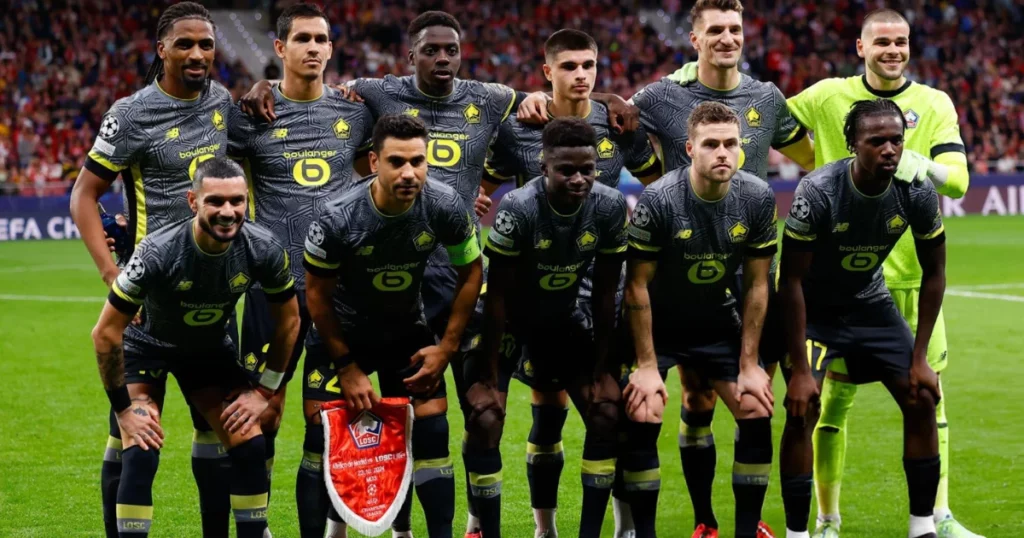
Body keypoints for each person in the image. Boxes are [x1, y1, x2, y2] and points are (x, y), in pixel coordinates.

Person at [782, 10, 975, 538]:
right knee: (826, 405)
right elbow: (767, 118)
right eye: (883, 42)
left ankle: (938, 517)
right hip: (830, 285)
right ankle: (825, 520)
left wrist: (923, 165)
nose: (893, 50)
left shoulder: (934, 103)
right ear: (861, 47)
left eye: (902, 42)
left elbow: (956, 181)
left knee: (929, 398)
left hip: (903, 283)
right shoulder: (825, 96)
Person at [469, 29, 661, 538]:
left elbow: (659, 183)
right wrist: (473, 202)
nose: (581, 75)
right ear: (546, 72)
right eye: (569, 66)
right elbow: (481, 186)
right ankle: (497, 523)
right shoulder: (520, 125)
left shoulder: (620, 122)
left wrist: (612, 99)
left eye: (589, 66)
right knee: (534, 413)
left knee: (604, 411)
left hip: (582, 296)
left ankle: (615, 527)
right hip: (522, 287)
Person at [67, 4, 237, 536]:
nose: (196, 54)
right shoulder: (132, 112)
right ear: (161, 49)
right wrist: (110, 273)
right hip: (148, 297)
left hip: (210, 294)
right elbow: (83, 195)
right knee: (134, 437)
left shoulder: (223, 101)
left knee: (217, 430)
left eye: (205, 44)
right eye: (184, 44)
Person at [91, 157, 301, 538]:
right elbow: (104, 334)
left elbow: (289, 320)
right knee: (140, 447)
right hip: (146, 346)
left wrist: (265, 390)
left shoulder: (262, 247)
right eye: (216, 201)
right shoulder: (159, 251)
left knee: (251, 443)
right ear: (193, 202)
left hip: (208, 351)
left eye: (237, 201)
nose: (228, 212)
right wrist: (124, 411)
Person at [225, 5, 375, 536]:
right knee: (262, 413)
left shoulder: (357, 112)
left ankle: (323, 529)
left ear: (332, 49)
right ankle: (257, 525)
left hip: (337, 295)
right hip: (273, 292)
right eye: (303, 39)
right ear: (280, 49)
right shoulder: (252, 115)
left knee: (324, 420)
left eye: (322, 39)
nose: (314, 47)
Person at [302, 114, 484, 538]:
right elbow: (317, 297)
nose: (409, 173)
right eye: (397, 161)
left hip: (406, 331)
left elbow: (472, 271)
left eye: (418, 161)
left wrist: (447, 347)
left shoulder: (443, 205)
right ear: (373, 162)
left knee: (433, 432)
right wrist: (347, 367)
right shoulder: (336, 218)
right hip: (342, 336)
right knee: (321, 440)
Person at [778, 99, 947, 538]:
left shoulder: (916, 190)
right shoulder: (817, 191)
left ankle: (922, 526)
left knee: (922, 395)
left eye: (896, 140)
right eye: (877, 141)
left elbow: (936, 273)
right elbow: (791, 281)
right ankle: (799, 533)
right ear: (853, 144)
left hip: (870, 304)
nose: (889, 150)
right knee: (802, 408)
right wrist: (799, 368)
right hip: (813, 312)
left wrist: (921, 357)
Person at [466, 117, 629, 538]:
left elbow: (606, 293)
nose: (579, 179)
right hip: (509, 323)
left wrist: (604, 368)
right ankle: (487, 530)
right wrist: (487, 376)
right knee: (485, 418)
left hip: (564, 319)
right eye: (566, 170)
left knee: (607, 411)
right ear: (544, 168)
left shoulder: (610, 206)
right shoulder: (519, 206)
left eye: (587, 170)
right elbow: (498, 294)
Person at [622, 102, 778, 538]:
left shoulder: (756, 197)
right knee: (645, 410)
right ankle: (666, 529)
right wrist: (648, 366)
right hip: (660, 324)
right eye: (712, 144)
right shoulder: (660, 199)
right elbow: (636, 287)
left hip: (715, 319)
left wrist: (750, 365)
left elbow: (758, 286)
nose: (723, 153)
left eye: (731, 144)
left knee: (754, 406)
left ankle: (745, 530)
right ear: (691, 149)